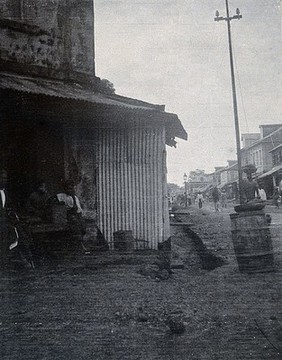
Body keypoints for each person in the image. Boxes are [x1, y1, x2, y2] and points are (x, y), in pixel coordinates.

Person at [0, 169, 34, 269]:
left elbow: (10, 208)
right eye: (2, 178)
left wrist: (14, 217)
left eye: (5, 178)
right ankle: (17, 257)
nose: (4, 180)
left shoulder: (5, 193)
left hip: (6, 221)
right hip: (2, 222)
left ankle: (25, 257)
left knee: (22, 229)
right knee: (10, 231)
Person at [56, 180, 86, 250]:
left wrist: (80, 214)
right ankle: (79, 244)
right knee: (75, 224)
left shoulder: (75, 197)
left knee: (83, 226)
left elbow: (79, 209)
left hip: (77, 214)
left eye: (71, 188)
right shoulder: (61, 196)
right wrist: (60, 205)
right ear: (65, 189)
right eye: (68, 188)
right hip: (68, 215)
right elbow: (53, 203)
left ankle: (80, 241)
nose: (70, 190)